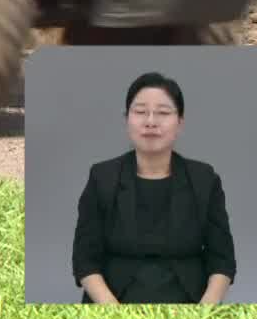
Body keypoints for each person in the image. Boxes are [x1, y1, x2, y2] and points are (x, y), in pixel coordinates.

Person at [72, 72, 236, 305]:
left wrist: (206, 309)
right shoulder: (102, 177)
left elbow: (223, 260)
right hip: (112, 305)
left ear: (180, 122)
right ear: (127, 119)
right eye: (140, 112)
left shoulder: (204, 179)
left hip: (189, 303)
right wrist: (111, 311)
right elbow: (84, 260)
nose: (151, 121)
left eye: (163, 113)